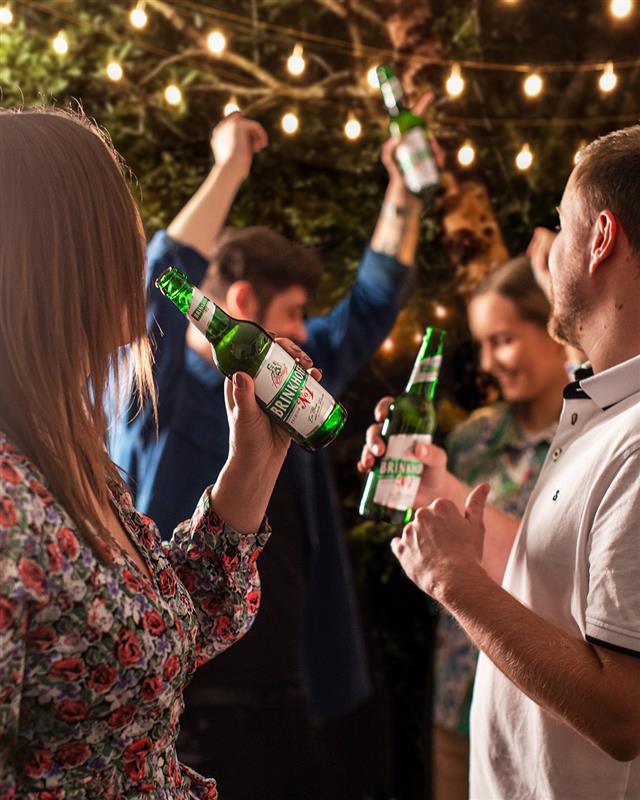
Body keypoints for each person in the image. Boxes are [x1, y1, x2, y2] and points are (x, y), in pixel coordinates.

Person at [110, 102, 432, 798]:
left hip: (294, 698)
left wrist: (405, 186)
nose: (305, 333)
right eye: (292, 313)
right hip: (183, 709)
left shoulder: (289, 381)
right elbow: (163, 277)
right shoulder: (152, 387)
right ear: (243, 298)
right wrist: (230, 166)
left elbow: (373, 302)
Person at [0, 107, 319, 798]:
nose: (144, 255)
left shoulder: (71, 451)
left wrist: (255, 459)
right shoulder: (7, 504)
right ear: (59, 255)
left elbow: (170, 623)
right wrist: (231, 166)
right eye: (124, 226)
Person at [365, 125, 640, 799]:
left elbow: (624, 714)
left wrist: (456, 582)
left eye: (560, 225)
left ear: (600, 238)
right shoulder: (602, 407)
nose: (545, 250)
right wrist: (442, 488)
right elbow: (561, 591)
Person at [359, 254, 569, 799]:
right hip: (460, 701)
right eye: (480, 343)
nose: (489, 360)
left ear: (552, 326)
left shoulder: (589, 444)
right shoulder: (474, 440)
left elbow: (560, 571)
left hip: (555, 711)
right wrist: (405, 483)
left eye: (502, 339)